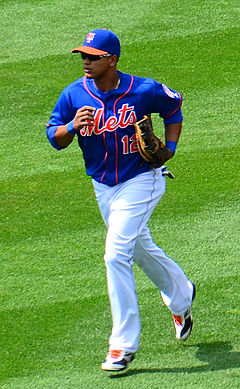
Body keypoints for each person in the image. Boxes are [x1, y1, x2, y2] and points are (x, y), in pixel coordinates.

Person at [46, 28, 196, 372]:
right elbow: (54, 138)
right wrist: (71, 126)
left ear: (112, 60)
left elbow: (173, 108)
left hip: (142, 180)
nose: (86, 61)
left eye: (93, 57)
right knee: (139, 247)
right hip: (103, 187)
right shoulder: (73, 95)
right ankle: (182, 295)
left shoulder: (142, 89)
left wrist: (170, 149)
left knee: (115, 253)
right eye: (83, 56)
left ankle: (122, 345)